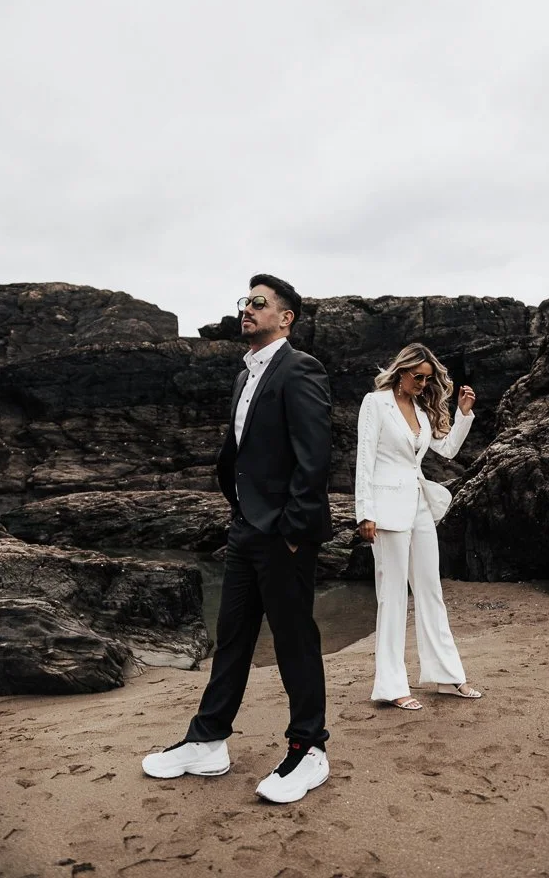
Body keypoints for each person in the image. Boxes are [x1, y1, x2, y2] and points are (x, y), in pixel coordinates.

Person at [142, 274, 333, 803]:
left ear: (285, 317)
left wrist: (291, 532)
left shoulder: (301, 369)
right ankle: (208, 741)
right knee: (233, 640)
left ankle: (309, 749)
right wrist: (241, 516)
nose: (246, 310)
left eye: (258, 303)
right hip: (246, 529)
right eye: (244, 302)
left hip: (283, 535)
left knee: (295, 642)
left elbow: (315, 459)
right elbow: (243, 453)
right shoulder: (244, 374)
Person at [355, 343, 481, 710]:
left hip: (419, 506)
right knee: (391, 596)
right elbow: (364, 458)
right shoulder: (374, 403)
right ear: (401, 371)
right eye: (418, 377)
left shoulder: (424, 413)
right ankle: (392, 686)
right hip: (386, 509)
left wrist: (463, 415)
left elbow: (448, 451)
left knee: (431, 590)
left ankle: (447, 677)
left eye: (428, 379)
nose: (423, 384)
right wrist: (365, 511)